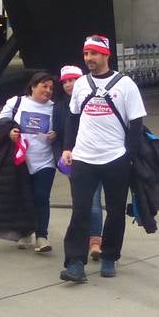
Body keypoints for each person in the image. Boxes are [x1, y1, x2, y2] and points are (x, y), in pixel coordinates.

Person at [60, 35, 147, 282]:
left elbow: (136, 123)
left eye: (94, 54)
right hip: (84, 159)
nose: (89, 58)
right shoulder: (80, 84)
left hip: (115, 158)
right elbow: (72, 117)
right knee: (80, 211)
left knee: (116, 210)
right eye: (86, 54)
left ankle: (110, 256)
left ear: (106, 55)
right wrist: (68, 147)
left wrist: (129, 156)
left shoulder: (125, 84)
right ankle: (75, 263)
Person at [0, 71, 67, 254]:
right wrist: (10, 132)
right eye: (44, 86)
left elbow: (64, 128)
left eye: (51, 88)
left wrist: (56, 134)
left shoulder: (54, 107)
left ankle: (42, 236)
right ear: (33, 86)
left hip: (45, 161)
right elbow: (1, 124)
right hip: (21, 159)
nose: (48, 91)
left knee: (41, 197)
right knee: (24, 196)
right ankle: (26, 231)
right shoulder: (16, 103)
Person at [58, 64, 104, 252]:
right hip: (72, 161)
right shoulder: (60, 107)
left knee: (93, 200)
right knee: (80, 202)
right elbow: (58, 135)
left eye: (73, 80)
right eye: (65, 81)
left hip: (96, 157)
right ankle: (83, 239)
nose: (69, 85)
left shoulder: (96, 99)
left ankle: (95, 241)